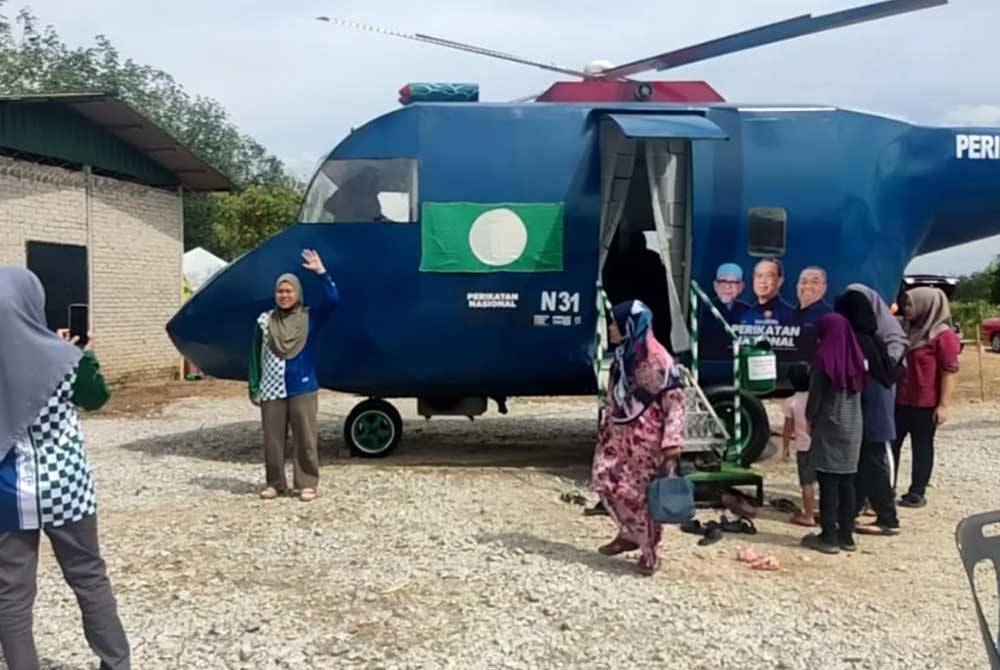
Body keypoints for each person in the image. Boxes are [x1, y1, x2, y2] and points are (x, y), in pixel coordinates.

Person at [0, 267, 130, 670]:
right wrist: (83, 353)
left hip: (8, 491)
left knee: (11, 592)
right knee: (89, 577)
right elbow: (96, 398)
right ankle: (116, 662)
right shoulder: (66, 357)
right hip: (67, 487)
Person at [591, 300, 686, 576]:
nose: (610, 328)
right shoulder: (624, 356)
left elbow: (675, 402)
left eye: (614, 323)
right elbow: (615, 396)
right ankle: (631, 533)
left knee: (643, 497)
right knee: (605, 480)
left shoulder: (658, 360)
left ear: (629, 325)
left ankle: (650, 552)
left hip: (646, 442)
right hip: (618, 435)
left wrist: (672, 442)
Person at [249, 249, 340, 502]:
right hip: (271, 389)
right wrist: (254, 386)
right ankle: (275, 483)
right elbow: (254, 355)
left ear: (297, 293)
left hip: (302, 387)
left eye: (289, 291)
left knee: (305, 438)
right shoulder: (264, 320)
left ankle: (307, 483)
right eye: (280, 291)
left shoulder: (310, 317)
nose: (284, 295)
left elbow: (333, 300)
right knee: (273, 440)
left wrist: (321, 272)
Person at [835, 288, 900, 536]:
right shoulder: (873, 337)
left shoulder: (857, 341)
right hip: (874, 405)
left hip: (869, 409)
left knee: (873, 464)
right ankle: (849, 512)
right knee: (862, 462)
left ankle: (888, 518)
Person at [801, 313, 866, 555]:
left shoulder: (824, 358)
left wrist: (809, 419)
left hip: (829, 425)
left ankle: (828, 536)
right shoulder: (856, 357)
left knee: (828, 482)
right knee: (847, 481)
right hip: (853, 426)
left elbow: (816, 396)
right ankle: (846, 535)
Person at [892, 287, 959, 509]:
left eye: (911, 304)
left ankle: (917, 492)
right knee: (891, 445)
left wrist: (943, 405)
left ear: (927, 306)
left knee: (922, 447)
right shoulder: (907, 330)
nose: (907, 308)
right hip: (900, 400)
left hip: (925, 403)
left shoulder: (943, 336)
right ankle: (885, 488)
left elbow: (949, 371)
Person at [603, 230, 671, 349]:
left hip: (626, 299)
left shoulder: (622, 259)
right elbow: (661, 280)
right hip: (651, 299)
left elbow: (614, 280)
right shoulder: (653, 258)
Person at [781, 364, 816, 528]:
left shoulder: (791, 402)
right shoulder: (817, 396)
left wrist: (786, 447)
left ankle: (808, 515)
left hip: (803, 446)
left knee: (807, 482)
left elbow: (788, 428)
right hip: (820, 444)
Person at [700, 262, 750, 358]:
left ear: (740, 287)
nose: (728, 286)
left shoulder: (747, 310)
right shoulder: (706, 307)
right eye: (723, 281)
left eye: (733, 282)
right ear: (715, 286)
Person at [740, 258, 794, 325]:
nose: (762, 281)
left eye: (769, 276)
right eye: (759, 276)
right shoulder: (746, 316)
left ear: (780, 281)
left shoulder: (791, 316)